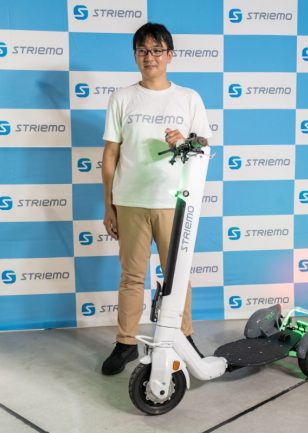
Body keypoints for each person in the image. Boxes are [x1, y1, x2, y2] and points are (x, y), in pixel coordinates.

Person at [100, 22, 211, 375]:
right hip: (130, 200)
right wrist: (109, 205)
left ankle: (184, 337)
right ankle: (125, 343)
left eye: (157, 50)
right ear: (135, 56)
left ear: (170, 55)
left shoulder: (188, 98)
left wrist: (185, 140)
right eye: (143, 51)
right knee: (132, 276)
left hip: (174, 202)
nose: (150, 57)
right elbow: (110, 155)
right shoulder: (122, 98)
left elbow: (204, 145)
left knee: (176, 276)